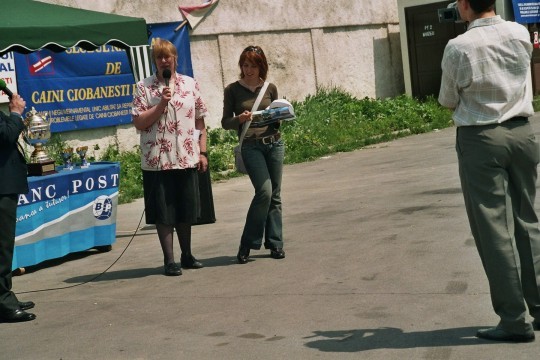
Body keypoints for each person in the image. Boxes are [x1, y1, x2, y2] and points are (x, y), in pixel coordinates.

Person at [439, 0, 540, 342]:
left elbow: (448, 100)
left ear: (465, 5)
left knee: (494, 229)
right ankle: (539, 309)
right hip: (523, 132)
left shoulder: (459, 46)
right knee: (528, 220)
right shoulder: (518, 32)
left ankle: (514, 319)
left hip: (481, 137)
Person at [132, 38, 209, 276]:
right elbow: (139, 122)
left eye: (167, 56)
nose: (164, 60)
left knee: (186, 208)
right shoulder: (143, 87)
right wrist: (161, 104)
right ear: (154, 61)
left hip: (186, 157)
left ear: (175, 58)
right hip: (158, 160)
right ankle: (169, 260)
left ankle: (187, 255)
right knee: (164, 212)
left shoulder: (189, 83)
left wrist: (202, 151)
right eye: (159, 57)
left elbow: (200, 119)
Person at [221, 45, 286, 264]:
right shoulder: (232, 90)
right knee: (264, 192)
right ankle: (247, 242)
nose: (248, 70)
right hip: (251, 146)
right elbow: (224, 122)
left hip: (274, 143)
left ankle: (275, 243)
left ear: (262, 67)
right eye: (245, 65)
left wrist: (277, 116)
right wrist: (239, 119)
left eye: (253, 66)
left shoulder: (270, 88)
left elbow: (277, 119)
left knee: (275, 194)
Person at [0, 93, 36, 322]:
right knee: (1, 248)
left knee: (5, 248)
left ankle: (5, 295)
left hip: (6, 186)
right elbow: (4, 136)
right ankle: (3, 303)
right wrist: (15, 113)